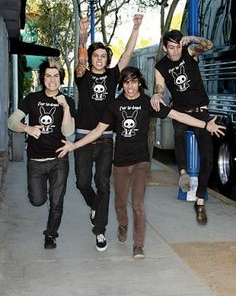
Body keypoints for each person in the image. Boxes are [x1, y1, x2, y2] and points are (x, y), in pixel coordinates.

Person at [57, 66, 225, 259]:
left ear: (139, 83)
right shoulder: (114, 105)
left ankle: (138, 245)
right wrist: (74, 146)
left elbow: (177, 115)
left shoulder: (148, 103)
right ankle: (123, 225)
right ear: (122, 84)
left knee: (137, 205)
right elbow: (96, 131)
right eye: (127, 82)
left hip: (140, 162)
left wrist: (205, 124)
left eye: (134, 82)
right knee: (120, 204)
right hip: (120, 162)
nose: (130, 86)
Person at [74, 14, 143, 252]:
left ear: (106, 59)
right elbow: (80, 56)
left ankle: (100, 231)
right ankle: (96, 206)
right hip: (83, 135)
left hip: (105, 139)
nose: (100, 59)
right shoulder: (82, 76)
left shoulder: (114, 76)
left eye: (104, 56)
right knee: (82, 182)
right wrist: (82, 34)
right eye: (96, 55)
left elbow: (127, 54)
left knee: (102, 182)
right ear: (91, 58)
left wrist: (136, 28)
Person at [8, 58, 76, 249]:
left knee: (57, 202)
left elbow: (68, 132)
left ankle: (51, 235)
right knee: (37, 200)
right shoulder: (32, 99)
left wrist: (66, 108)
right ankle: (42, 195)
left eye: (56, 76)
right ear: (43, 78)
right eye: (48, 76)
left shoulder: (67, 101)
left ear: (61, 79)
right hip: (36, 161)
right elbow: (11, 121)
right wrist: (27, 129)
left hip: (59, 159)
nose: (52, 80)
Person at [150, 29, 215, 225]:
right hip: (180, 111)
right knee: (178, 132)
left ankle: (200, 200)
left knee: (207, 156)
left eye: (178, 46)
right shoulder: (161, 66)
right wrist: (157, 95)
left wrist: (193, 39)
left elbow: (209, 45)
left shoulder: (190, 52)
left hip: (200, 109)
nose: (176, 51)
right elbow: (159, 88)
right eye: (172, 47)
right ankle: (183, 173)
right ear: (165, 48)